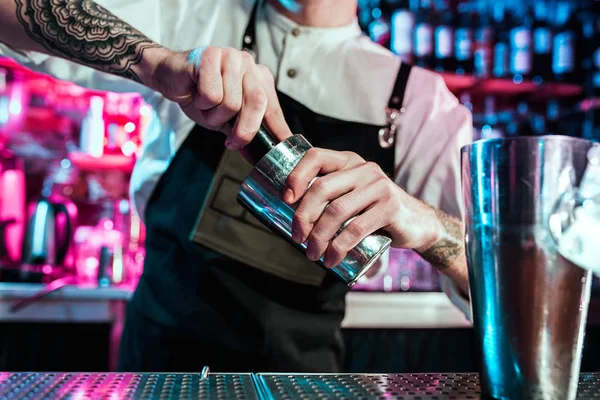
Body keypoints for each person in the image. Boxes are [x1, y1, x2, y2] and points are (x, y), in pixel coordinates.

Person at [0, 0, 472, 372]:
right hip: (159, 370)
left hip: (299, 382)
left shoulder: (418, 102)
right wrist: (155, 61)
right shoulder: (192, 14)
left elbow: (505, 292)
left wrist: (427, 224)